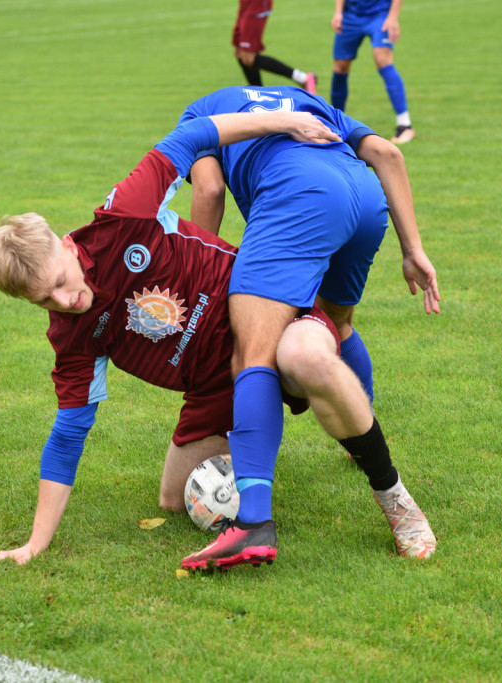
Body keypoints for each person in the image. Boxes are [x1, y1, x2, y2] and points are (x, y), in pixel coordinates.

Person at [0, 109, 435, 568]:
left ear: (63, 243)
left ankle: (394, 498)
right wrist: (34, 544)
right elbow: (67, 436)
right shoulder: (71, 338)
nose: (66, 300)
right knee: (175, 500)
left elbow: (194, 135)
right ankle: (260, 446)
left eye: (61, 280)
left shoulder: (122, 216)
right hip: (215, 386)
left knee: (306, 356)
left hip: (267, 313)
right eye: (46, 300)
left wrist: (283, 121)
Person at [175, 85, 439, 570]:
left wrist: (203, 276)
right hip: (364, 198)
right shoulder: (301, 97)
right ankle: (362, 443)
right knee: (336, 327)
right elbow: (386, 153)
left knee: (251, 353)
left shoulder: (200, 112)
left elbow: (209, 188)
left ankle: (251, 524)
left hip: (299, 194)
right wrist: (413, 249)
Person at [330, 0, 413, 144]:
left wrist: (393, 18)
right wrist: (338, 12)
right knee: (340, 66)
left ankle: (405, 125)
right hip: (350, 14)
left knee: (383, 60)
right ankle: (335, 123)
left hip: (380, 15)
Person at [233, 0, 317, 95]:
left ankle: (303, 78)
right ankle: (258, 97)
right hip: (245, 3)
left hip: (256, 4)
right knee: (239, 52)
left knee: (248, 57)